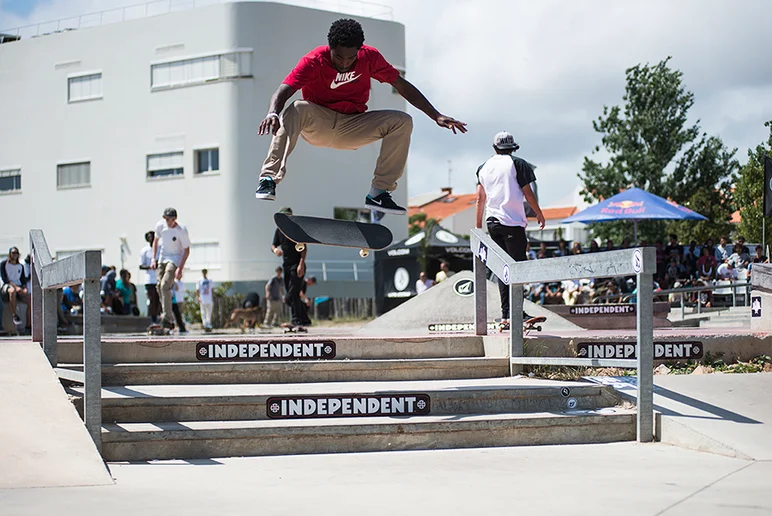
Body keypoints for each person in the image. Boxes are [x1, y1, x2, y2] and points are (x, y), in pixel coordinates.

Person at [255, 18, 466, 214]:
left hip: (352, 126)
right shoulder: (314, 60)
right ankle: (268, 178)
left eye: (351, 57)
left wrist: (435, 115)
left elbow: (402, 86)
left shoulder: (370, 57)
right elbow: (284, 89)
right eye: (338, 57)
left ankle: (378, 193)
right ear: (330, 48)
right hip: (319, 123)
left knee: (402, 121)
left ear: (359, 50)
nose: (345, 63)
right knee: (297, 107)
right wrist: (272, 111)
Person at [475, 131, 545, 325]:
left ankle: (506, 315)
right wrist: (539, 212)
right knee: (517, 269)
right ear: (513, 148)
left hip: (492, 223)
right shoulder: (518, 164)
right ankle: (516, 313)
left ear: (494, 148)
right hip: (512, 223)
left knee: (502, 269)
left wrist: (477, 227)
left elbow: (480, 199)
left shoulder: (483, 167)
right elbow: (528, 192)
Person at [151, 208, 190, 330]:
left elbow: (187, 250)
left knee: (164, 285)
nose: (169, 222)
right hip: (163, 257)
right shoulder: (160, 226)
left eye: (172, 220)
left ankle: (167, 317)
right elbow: (155, 242)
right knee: (158, 286)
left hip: (175, 259)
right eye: (167, 219)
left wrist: (180, 269)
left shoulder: (181, 230)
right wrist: (153, 259)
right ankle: (168, 315)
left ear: (175, 219)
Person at [272, 207, 311, 327]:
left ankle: (297, 319)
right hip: (286, 266)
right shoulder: (279, 230)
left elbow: (304, 248)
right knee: (292, 295)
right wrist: (275, 250)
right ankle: (302, 319)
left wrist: (301, 264)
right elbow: (273, 245)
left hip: (297, 265)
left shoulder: (296, 229)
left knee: (290, 296)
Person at [1, 247, 29, 326]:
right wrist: (16, 287)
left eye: (16, 253)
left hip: (18, 286)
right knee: (12, 291)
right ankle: (14, 315)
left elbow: (23, 279)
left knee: (30, 300)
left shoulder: (20, 266)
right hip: (8, 286)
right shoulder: (4, 264)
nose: (15, 255)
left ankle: (29, 325)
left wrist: (25, 288)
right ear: (10, 254)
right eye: (13, 253)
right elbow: (5, 279)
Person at [138, 230, 161, 324]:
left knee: (159, 299)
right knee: (152, 299)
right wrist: (151, 266)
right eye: (149, 238)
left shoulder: (160, 248)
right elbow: (141, 265)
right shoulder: (144, 251)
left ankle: (160, 317)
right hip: (149, 279)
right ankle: (153, 319)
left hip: (159, 278)